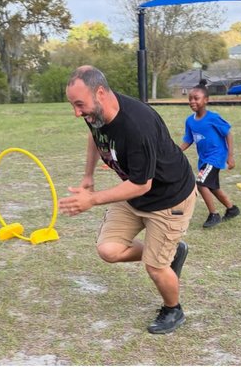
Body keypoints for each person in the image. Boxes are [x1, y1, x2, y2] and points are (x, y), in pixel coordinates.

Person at [60, 66, 195, 335]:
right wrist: (88, 175)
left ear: (99, 93)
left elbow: (142, 184)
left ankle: (173, 309)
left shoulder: (137, 126)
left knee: (156, 268)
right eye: (73, 105)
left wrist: (92, 199)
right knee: (109, 250)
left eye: (79, 105)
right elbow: (95, 135)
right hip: (135, 194)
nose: (77, 113)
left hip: (169, 198)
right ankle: (172, 252)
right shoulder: (96, 110)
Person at [180, 86, 239, 228]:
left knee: (200, 183)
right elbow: (189, 139)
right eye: (190, 99)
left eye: (196, 98)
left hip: (215, 157)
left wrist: (230, 156)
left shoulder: (213, 118)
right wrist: (177, 151)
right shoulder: (189, 121)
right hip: (204, 160)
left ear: (206, 100)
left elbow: (228, 134)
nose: (192, 101)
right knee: (213, 187)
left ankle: (214, 215)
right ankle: (232, 209)